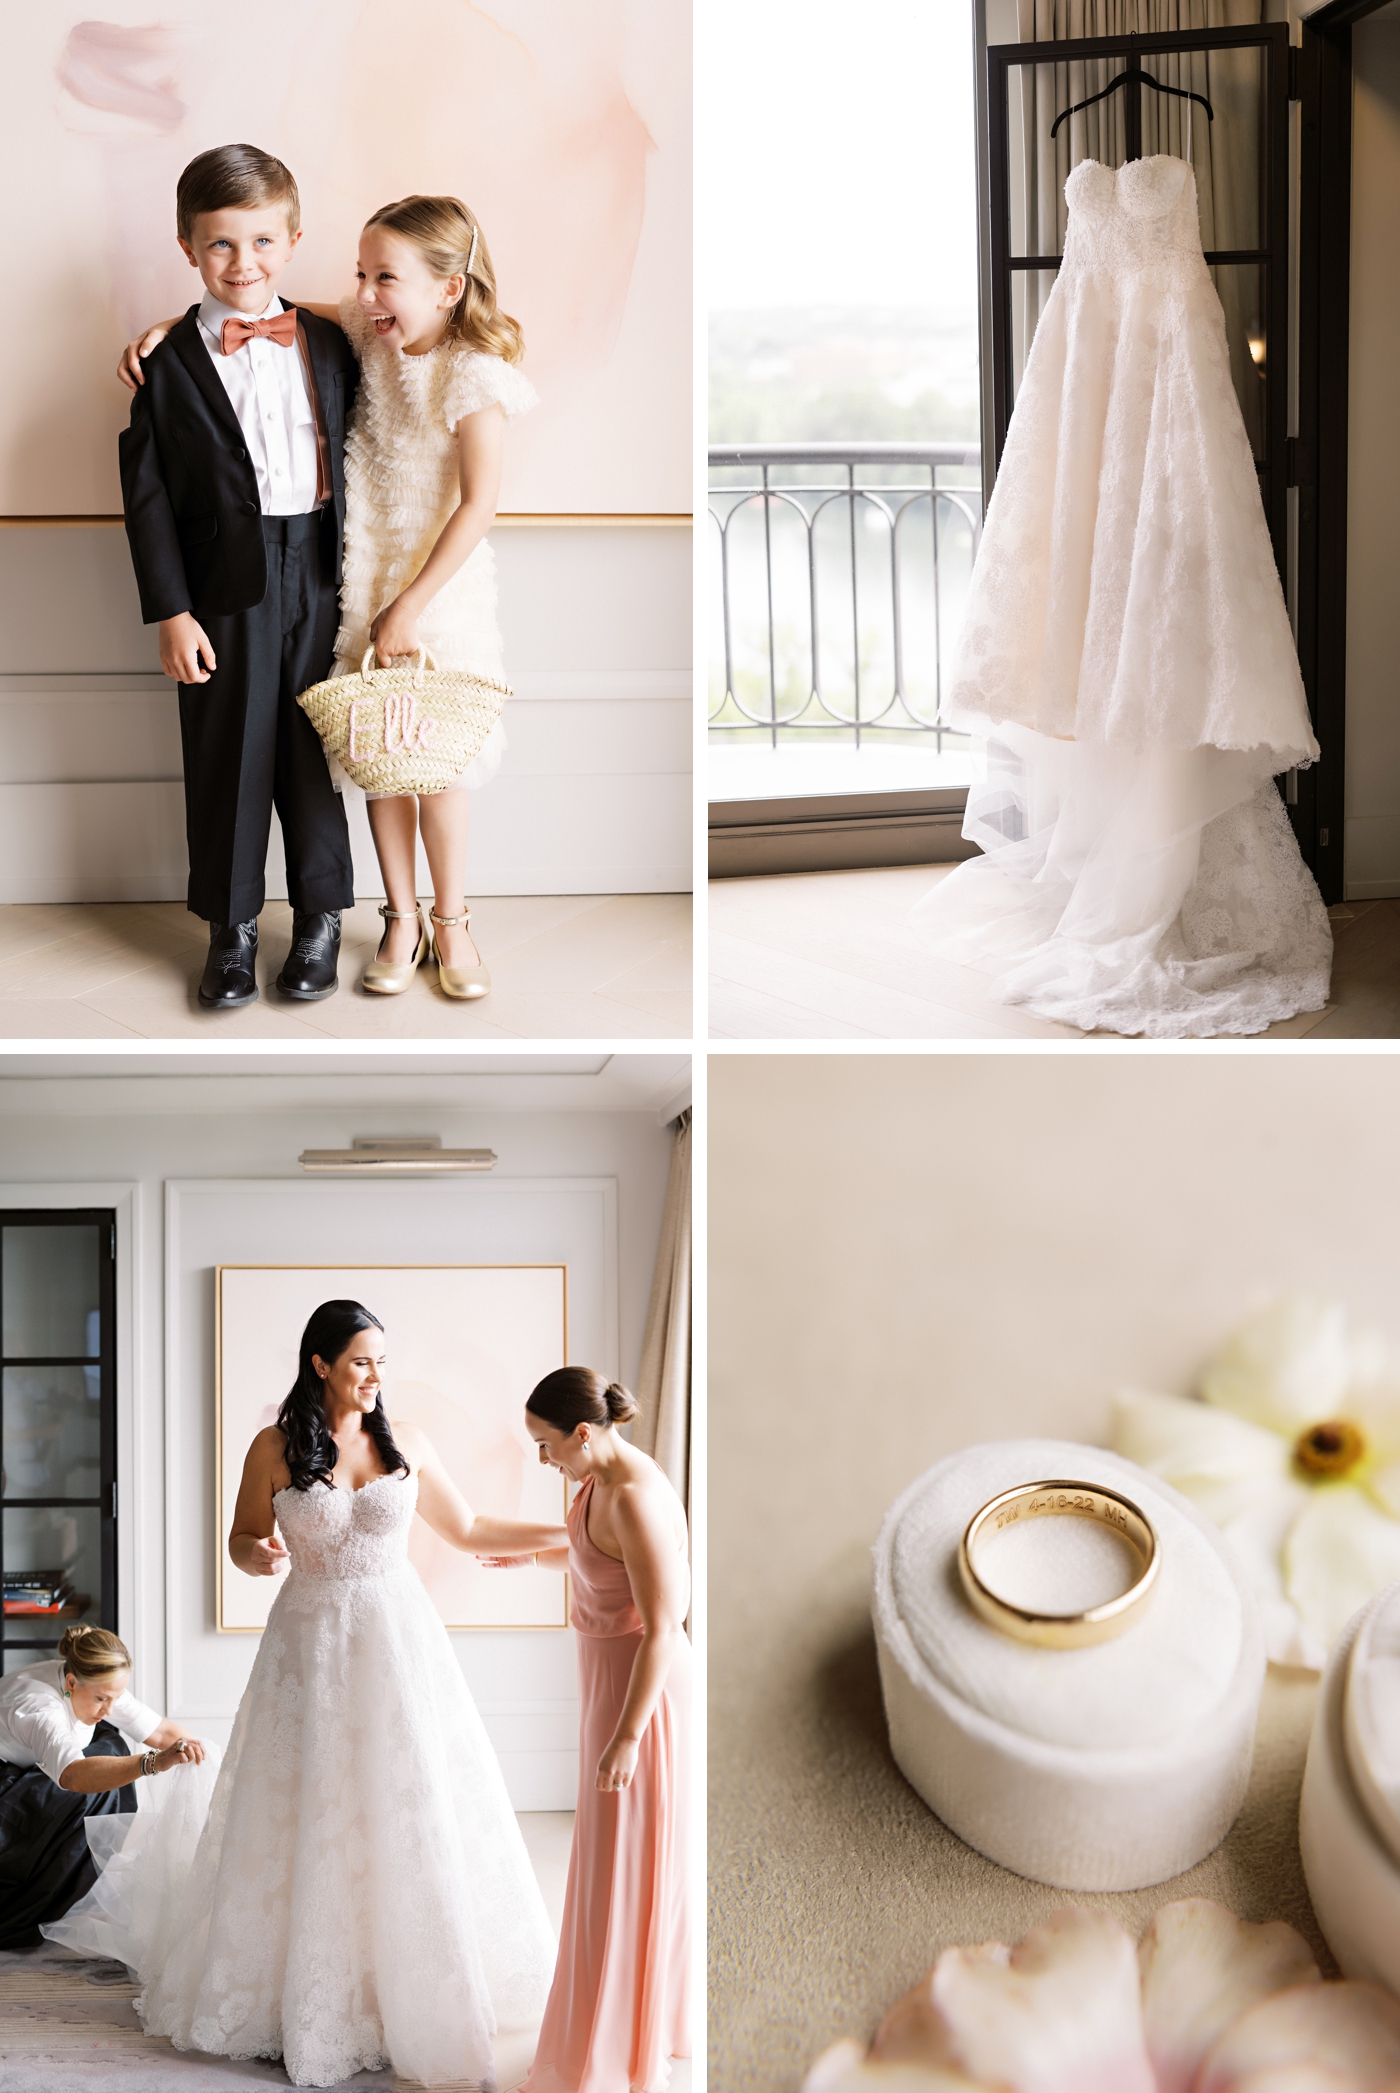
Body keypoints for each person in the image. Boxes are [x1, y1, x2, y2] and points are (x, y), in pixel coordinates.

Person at [48, 1300, 565, 2088]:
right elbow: (241, 1535)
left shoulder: (407, 1442)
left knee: (404, 1802)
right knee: (307, 1807)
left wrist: (577, 1535)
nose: (376, 1376)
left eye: (382, 1361)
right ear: (321, 1364)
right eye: (362, 1361)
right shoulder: (274, 1446)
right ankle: (302, 1994)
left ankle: (410, 1987)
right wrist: (254, 1552)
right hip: (309, 1646)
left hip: (397, 1643)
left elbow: (470, 1528)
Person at [122, 194, 536, 1004]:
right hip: (353, 577)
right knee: (367, 761)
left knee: (415, 763)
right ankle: (341, 923)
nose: (368, 291)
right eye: (361, 274)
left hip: (411, 584)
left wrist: (412, 605)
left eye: (387, 277)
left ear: (449, 287)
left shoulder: (464, 370)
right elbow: (266, 304)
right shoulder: (358, 337)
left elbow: (480, 503)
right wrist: (175, 326)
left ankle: (420, 921)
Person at [116, 143, 359, 1011]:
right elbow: (145, 498)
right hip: (222, 586)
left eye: (261, 241)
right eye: (221, 245)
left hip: (326, 570)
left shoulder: (333, 343)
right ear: (188, 247)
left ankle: (322, 915)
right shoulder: (167, 362)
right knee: (229, 753)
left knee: (315, 753)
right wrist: (171, 611)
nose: (243, 262)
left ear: (293, 240)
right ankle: (232, 930)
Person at [518, 1368, 691, 2093]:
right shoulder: (594, 1481)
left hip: (640, 1698)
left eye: (545, 1445)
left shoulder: (638, 1497)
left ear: (582, 1434)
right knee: (605, 1859)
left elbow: (663, 1627)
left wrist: (628, 1735)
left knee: (624, 1867)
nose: (543, 1459)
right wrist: (533, 1554)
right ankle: (628, 2020)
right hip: (606, 1688)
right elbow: (598, 1558)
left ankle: (620, 2044)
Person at [0, 1625, 206, 1947]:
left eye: (116, 1697)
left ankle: (65, 1893)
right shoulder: (39, 1708)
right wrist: (153, 1763)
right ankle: (29, 1909)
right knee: (103, 1774)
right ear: (71, 1683)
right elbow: (72, 1776)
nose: (110, 1709)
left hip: (33, 1769)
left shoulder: (94, 1684)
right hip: (6, 1788)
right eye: (102, 1699)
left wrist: (205, 1752)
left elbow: (163, 1733)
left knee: (112, 1748)